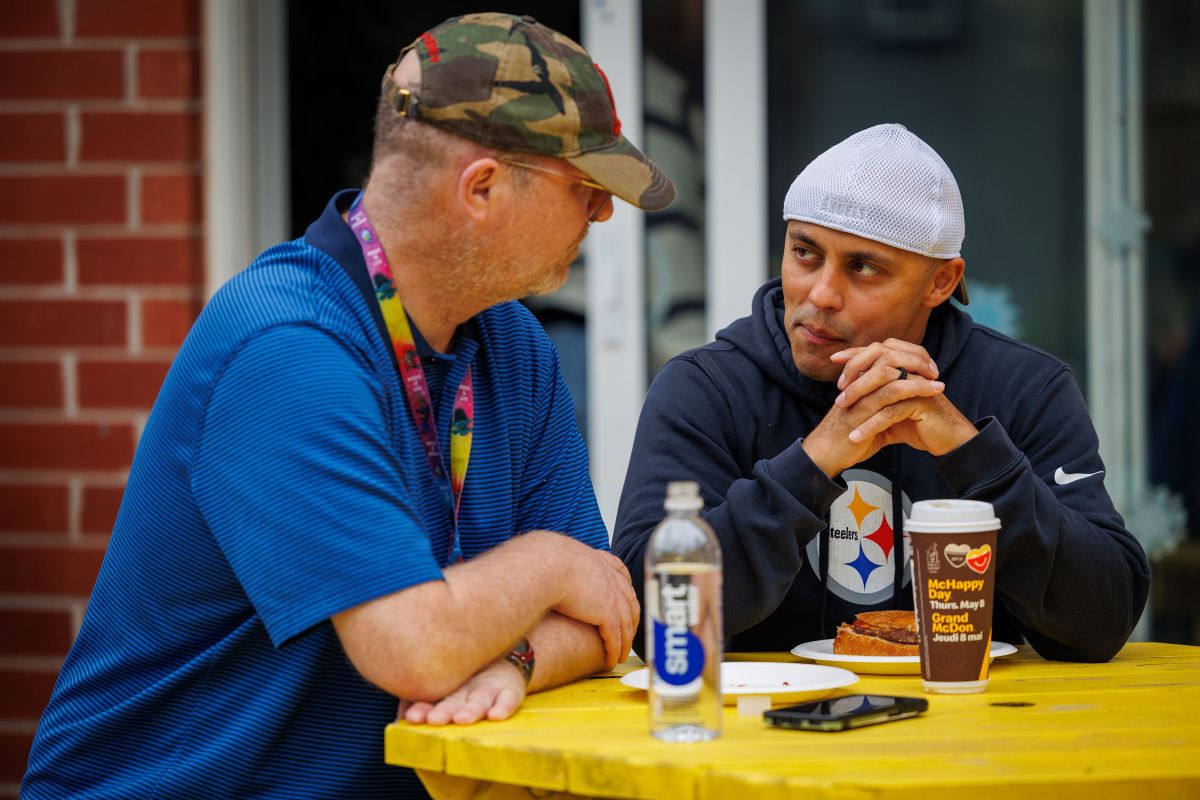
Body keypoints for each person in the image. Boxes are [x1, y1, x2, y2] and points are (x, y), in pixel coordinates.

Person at [23, 13, 674, 799]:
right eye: (584, 188)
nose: (602, 214)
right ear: (482, 189)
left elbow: (604, 618)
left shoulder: (514, 345)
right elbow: (416, 650)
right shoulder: (284, 347)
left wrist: (515, 658)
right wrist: (547, 564)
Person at [613, 123, 1149, 663]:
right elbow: (647, 619)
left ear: (940, 282)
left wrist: (971, 454)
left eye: (863, 267)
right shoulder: (706, 387)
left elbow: (1103, 622)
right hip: (770, 712)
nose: (821, 294)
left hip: (972, 711)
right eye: (804, 252)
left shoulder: (1024, 388)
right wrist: (814, 461)